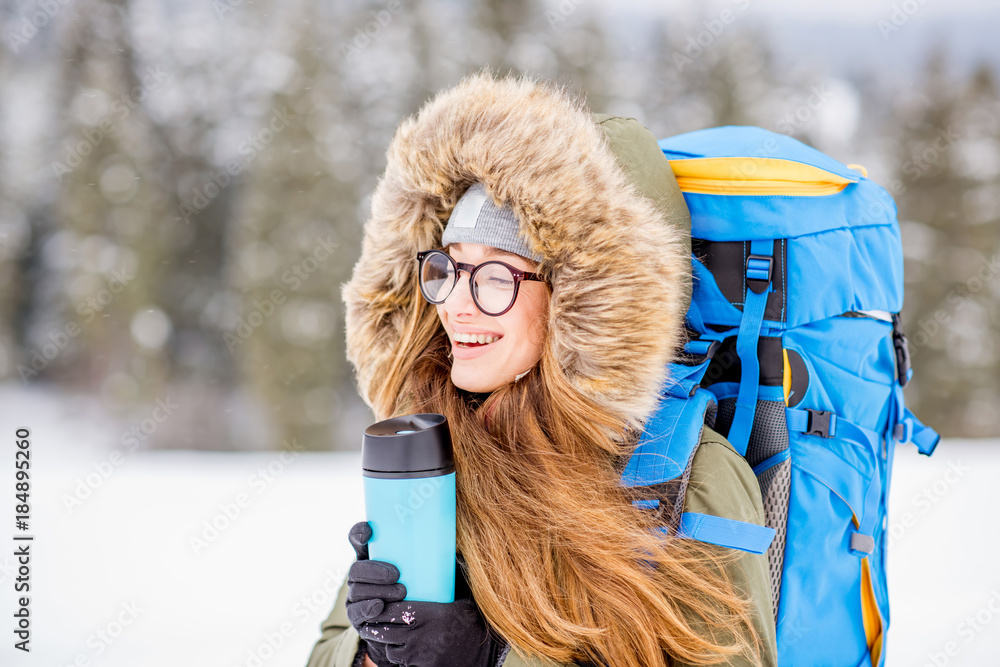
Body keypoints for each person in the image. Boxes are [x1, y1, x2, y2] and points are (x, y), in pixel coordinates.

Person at [307, 70, 777, 667]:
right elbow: (324, 653)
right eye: (448, 268)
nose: (455, 303)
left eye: (498, 276)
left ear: (579, 298)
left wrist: (488, 658)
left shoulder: (688, 478)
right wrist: (375, 647)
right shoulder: (437, 455)